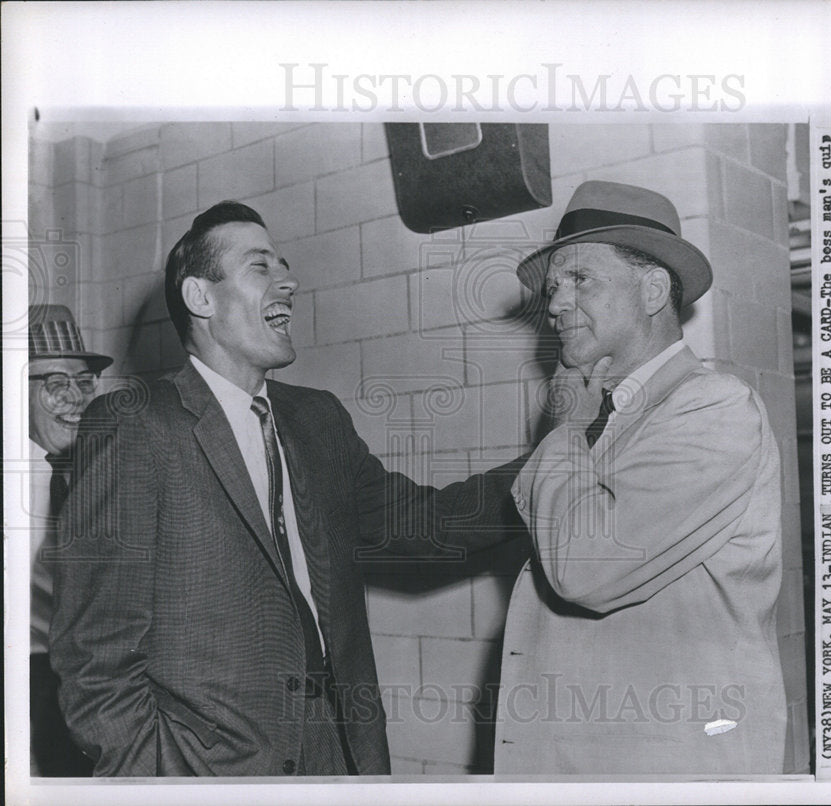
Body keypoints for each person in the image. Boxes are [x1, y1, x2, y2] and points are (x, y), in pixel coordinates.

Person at [49, 201, 522, 777]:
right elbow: (94, 657)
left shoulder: (317, 419)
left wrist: (555, 467)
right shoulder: (135, 423)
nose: (288, 282)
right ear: (201, 298)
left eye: (284, 265)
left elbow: (424, 523)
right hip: (211, 772)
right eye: (260, 267)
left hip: (344, 758)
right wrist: (159, 779)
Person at [493, 181, 786, 774]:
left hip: (671, 768)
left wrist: (566, 431)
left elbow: (587, 569)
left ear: (653, 290)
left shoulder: (712, 408)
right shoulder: (606, 411)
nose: (554, 304)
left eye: (580, 280)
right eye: (553, 287)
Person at [27, 304, 112, 777]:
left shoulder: (107, 471)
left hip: (87, 685)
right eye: (56, 383)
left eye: (84, 382)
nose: (76, 398)